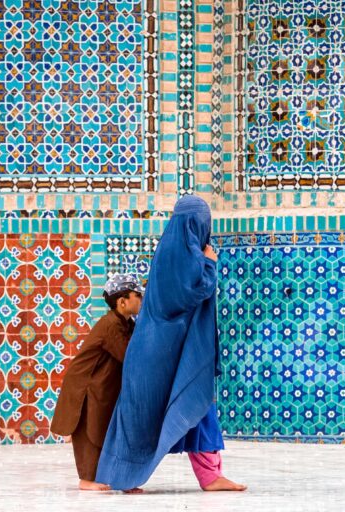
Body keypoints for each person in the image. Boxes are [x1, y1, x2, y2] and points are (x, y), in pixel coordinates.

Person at [96, 195, 246, 492]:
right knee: (142, 416)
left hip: (172, 351)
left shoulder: (182, 252)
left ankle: (211, 476)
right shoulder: (177, 254)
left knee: (198, 404)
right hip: (156, 357)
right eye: (202, 222)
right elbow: (188, 296)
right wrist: (210, 265)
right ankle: (124, 477)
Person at [50, 274, 144, 491]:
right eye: (137, 295)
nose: (141, 300)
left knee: (108, 432)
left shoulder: (126, 323)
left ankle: (118, 477)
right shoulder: (110, 324)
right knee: (90, 432)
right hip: (86, 386)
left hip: (103, 385)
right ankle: (87, 479)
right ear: (122, 302)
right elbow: (128, 356)